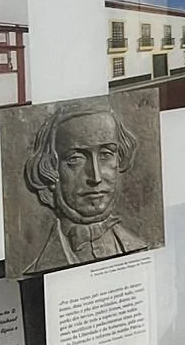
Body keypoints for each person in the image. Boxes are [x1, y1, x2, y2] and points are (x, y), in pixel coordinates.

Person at [20, 96, 152, 273]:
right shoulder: (37, 267)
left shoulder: (139, 246)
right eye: (75, 159)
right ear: (50, 169)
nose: (95, 177)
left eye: (106, 154)